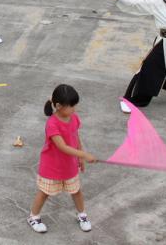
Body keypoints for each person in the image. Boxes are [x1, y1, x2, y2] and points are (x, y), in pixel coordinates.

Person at [27, 84, 97, 234]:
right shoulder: (52, 124)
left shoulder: (74, 118)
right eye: (71, 106)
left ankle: (82, 215)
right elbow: (62, 147)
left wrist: (81, 156)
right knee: (44, 192)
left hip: (69, 165)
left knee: (76, 190)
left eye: (75, 106)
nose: (74, 109)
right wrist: (84, 155)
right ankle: (33, 216)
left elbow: (75, 136)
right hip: (52, 166)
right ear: (58, 106)